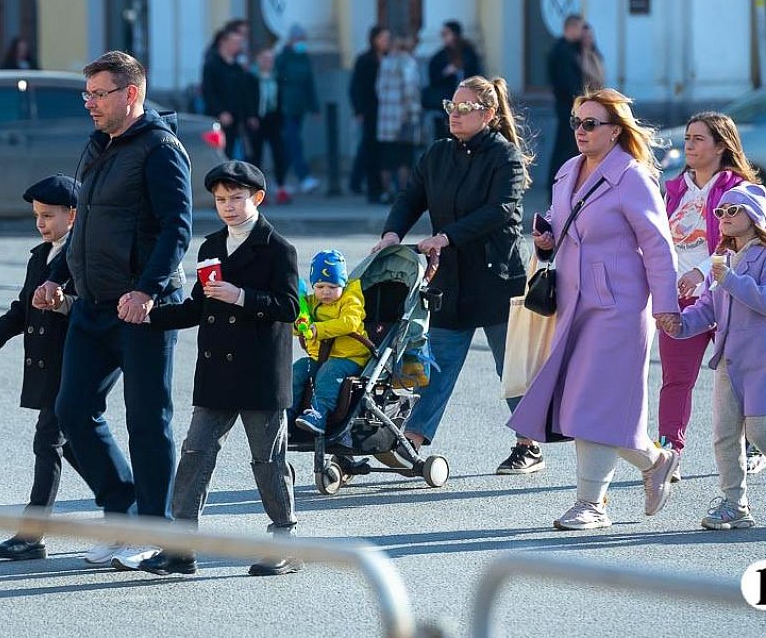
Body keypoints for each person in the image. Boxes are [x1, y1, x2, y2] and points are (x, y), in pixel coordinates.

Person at [32, 51, 192, 571]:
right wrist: (57, 276)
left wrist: (147, 291)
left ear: (131, 94)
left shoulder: (160, 149)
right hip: (93, 304)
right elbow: (85, 225)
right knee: (72, 411)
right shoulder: (98, 144)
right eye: (88, 95)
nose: (90, 104)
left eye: (99, 94)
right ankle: (122, 512)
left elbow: (177, 228)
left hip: (143, 307)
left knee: (147, 420)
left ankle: (153, 529)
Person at [508, 88, 680, 531]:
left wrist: (666, 305)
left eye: (591, 124)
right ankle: (654, 461)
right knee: (580, 403)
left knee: (593, 404)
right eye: (576, 123)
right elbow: (561, 221)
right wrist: (547, 238)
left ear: (616, 131)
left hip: (619, 307)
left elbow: (658, 247)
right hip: (573, 301)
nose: (580, 131)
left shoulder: (633, 177)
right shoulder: (568, 170)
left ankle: (591, 504)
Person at [138, 161, 302, 577]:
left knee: (268, 460)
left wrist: (240, 296)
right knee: (195, 453)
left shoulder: (278, 248)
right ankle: (181, 548)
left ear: (258, 198)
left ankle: (285, 542)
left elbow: (289, 307)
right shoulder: (211, 245)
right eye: (220, 199)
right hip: (216, 374)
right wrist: (149, 315)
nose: (228, 206)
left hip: (260, 374)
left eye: (236, 198)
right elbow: (198, 306)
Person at [372, 75, 539, 475]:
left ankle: (528, 445)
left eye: (465, 108)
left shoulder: (505, 157)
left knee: (510, 367)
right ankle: (411, 441)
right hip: (449, 278)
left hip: (497, 278)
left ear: (489, 114)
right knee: (437, 363)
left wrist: (446, 236)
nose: (455, 115)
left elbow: (499, 210)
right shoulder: (437, 154)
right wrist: (392, 234)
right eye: (452, 106)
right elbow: (410, 197)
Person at [0, 174, 85, 561]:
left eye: (48, 216)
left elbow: (91, 308)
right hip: (47, 365)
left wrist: (62, 302)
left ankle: (32, 534)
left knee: (48, 441)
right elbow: (23, 307)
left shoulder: (83, 255)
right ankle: (126, 501)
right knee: (74, 445)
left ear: (73, 215)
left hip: (72, 364)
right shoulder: (41, 255)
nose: (40, 223)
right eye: (37, 215)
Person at [657, 111, 757, 480]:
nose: (689, 144)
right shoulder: (674, 189)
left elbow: (742, 243)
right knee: (676, 379)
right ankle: (669, 452)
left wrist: (702, 270)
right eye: (687, 137)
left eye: (698, 138)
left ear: (720, 146)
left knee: (742, 377)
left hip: (730, 298)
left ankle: (752, 444)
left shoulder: (738, 190)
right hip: (682, 301)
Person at [662, 185, 766, 530]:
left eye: (733, 210)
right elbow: (707, 308)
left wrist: (731, 281)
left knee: (760, 431)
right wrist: (680, 324)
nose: (724, 217)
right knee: (724, 435)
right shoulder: (723, 258)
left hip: (761, 361)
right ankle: (735, 504)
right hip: (727, 361)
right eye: (720, 212)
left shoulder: (760, 256)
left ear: (755, 214)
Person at [290, 249, 370, 434]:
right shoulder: (311, 302)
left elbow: (350, 322)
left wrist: (318, 329)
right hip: (320, 357)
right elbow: (297, 326)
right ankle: (286, 414)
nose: (326, 292)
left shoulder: (351, 300)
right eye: (320, 287)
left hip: (350, 357)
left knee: (329, 372)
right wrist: (298, 325)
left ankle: (319, 414)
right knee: (297, 370)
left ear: (343, 284)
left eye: (332, 287)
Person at [376, 32, 424, 200]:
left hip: (385, 119)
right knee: (405, 158)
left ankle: (386, 192)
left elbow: (378, 89)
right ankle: (403, 193)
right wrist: (413, 111)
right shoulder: (407, 62)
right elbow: (410, 90)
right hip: (403, 118)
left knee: (387, 158)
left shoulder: (385, 62)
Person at [275, 24, 321, 195]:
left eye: (303, 39)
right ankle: (304, 177)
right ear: (291, 39)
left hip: (299, 108)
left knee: (289, 144)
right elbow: (277, 80)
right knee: (294, 142)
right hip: (285, 107)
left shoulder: (304, 57)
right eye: (299, 39)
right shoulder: (283, 57)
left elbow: (309, 84)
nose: (301, 42)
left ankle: (280, 180)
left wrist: (314, 107)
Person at [348, 25, 389, 202]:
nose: (386, 42)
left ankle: (360, 182)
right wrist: (358, 109)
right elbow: (355, 87)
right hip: (369, 110)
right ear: (374, 39)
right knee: (369, 147)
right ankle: (371, 188)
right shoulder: (365, 59)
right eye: (383, 38)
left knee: (374, 148)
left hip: (386, 111)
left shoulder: (388, 58)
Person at [246, 46, 290, 203]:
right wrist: (251, 115)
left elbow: (281, 99)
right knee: (256, 154)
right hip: (257, 119)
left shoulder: (277, 77)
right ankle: (256, 188)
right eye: (264, 59)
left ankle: (281, 187)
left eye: (270, 59)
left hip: (274, 119)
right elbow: (247, 98)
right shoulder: (251, 77)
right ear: (258, 60)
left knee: (279, 153)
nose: (268, 62)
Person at [426, 20, 482, 143]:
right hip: (446, 104)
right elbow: (433, 80)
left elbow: (477, 77)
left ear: (455, 35)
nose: (444, 37)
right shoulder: (440, 57)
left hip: (467, 103)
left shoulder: (469, 54)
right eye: (443, 34)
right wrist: (446, 73)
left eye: (446, 34)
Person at [546, 14, 584, 189]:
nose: (581, 32)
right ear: (571, 28)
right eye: (579, 28)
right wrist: (580, 102)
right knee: (564, 150)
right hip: (567, 108)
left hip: (569, 107)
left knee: (567, 148)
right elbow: (567, 83)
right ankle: (556, 186)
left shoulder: (570, 49)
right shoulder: (562, 52)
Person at [202, 27, 251, 160]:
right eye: (235, 42)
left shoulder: (237, 67)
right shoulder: (212, 65)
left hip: (236, 119)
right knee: (219, 155)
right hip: (218, 119)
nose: (238, 46)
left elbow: (243, 93)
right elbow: (209, 92)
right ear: (224, 42)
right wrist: (220, 112)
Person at [579, 23, 605, 91]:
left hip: (596, 91)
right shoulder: (577, 55)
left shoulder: (596, 55)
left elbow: (601, 77)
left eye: (589, 37)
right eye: (584, 37)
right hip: (582, 92)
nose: (587, 40)